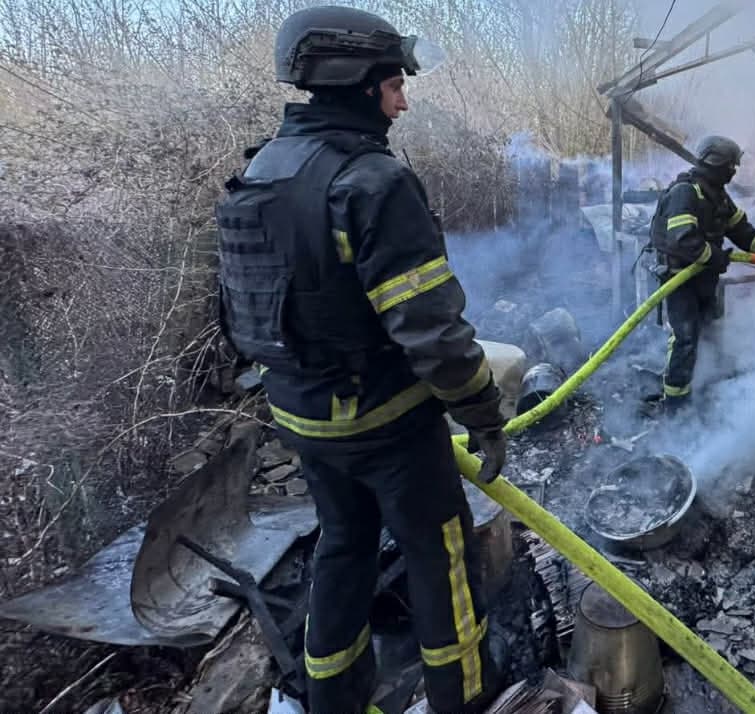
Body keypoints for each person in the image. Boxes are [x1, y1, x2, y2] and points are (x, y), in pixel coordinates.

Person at [215, 6, 508, 712]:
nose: (402, 101)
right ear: (357, 83)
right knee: (443, 565)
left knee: (343, 546)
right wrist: (483, 414)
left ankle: (332, 701)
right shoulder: (372, 182)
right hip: (389, 424)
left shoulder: (263, 167)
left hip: (302, 415)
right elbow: (433, 333)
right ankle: (462, 701)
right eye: (394, 84)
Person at [649, 135, 755, 412]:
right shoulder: (686, 192)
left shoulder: (717, 196)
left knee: (712, 333)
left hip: (704, 278)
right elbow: (682, 240)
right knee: (686, 338)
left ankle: (706, 391)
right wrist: (715, 256)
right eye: (731, 166)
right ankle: (676, 407)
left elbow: (743, 233)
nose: (733, 172)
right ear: (715, 164)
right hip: (681, 279)